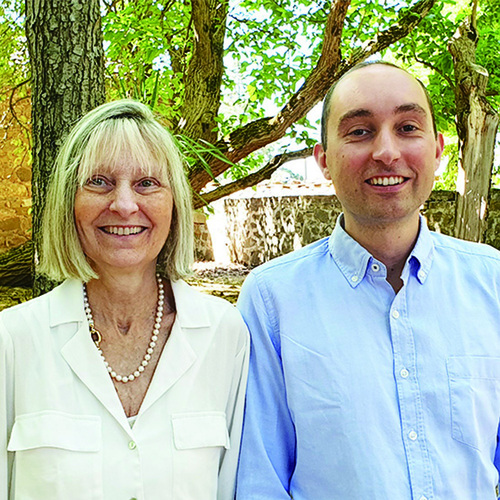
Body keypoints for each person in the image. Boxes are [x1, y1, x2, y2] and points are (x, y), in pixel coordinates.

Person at [235, 62, 500, 499]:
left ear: (437, 149)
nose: (387, 152)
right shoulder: (271, 301)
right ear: (324, 160)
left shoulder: (492, 282)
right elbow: (260, 481)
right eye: (360, 131)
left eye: (408, 127)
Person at [0, 100, 249, 500]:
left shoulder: (224, 334)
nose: (125, 204)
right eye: (99, 181)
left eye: (147, 183)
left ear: (174, 204)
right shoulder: (12, 341)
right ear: (68, 203)